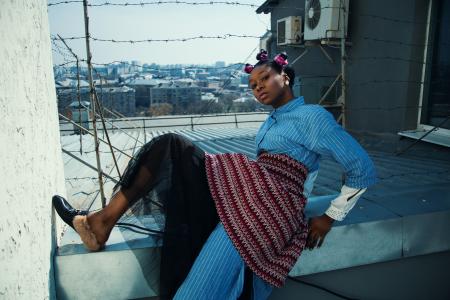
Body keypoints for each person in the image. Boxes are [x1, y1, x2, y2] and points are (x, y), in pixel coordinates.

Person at [53, 49, 377, 300]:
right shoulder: (272, 122)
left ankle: (99, 224)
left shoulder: (311, 116)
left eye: (264, 78)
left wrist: (328, 217)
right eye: (252, 85)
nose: (258, 87)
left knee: (196, 291)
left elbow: (361, 169)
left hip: (265, 210)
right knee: (172, 150)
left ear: (286, 76)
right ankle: (99, 223)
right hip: (255, 199)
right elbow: (297, 179)